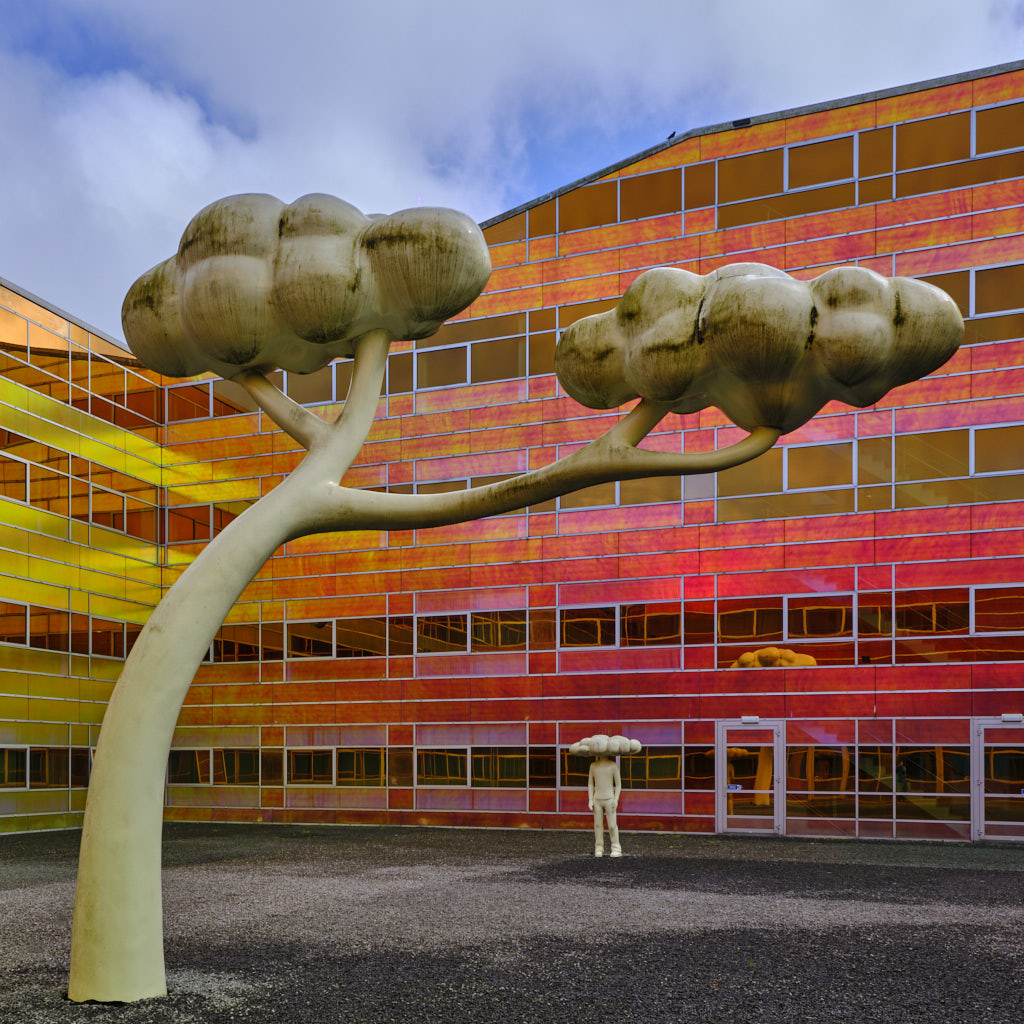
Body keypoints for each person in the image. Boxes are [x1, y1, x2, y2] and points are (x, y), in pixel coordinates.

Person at [588, 753, 621, 857]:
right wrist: (590, 799)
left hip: (609, 799)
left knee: (612, 825)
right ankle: (599, 847)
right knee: (598, 825)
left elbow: (618, 784)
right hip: (597, 799)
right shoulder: (593, 765)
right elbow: (590, 783)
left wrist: (616, 799)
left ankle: (616, 848)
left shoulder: (613, 765)